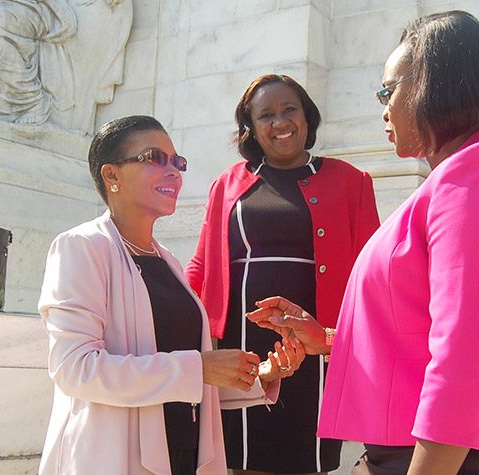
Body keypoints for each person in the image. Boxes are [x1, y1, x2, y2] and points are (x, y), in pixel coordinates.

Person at [247, 10, 479, 475]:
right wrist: (330, 340)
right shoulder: (461, 175)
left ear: (434, 85)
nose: (383, 108)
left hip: (468, 454)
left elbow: (466, 354)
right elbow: (426, 327)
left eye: (387, 90)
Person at [38, 115, 304, 475]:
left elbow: (188, 380)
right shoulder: (81, 247)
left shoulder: (168, 261)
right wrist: (200, 366)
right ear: (111, 175)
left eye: (177, 162)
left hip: (183, 455)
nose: (174, 172)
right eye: (154, 158)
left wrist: (257, 376)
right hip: (113, 458)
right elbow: (76, 369)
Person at [185, 75, 380, 474]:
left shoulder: (351, 181)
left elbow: (372, 270)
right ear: (251, 128)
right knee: (239, 454)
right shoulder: (227, 183)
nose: (280, 122)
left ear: (307, 116)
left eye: (289, 109)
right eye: (266, 115)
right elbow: (202, 265)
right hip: (241, 339)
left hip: (315, 340)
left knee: (305, 458)